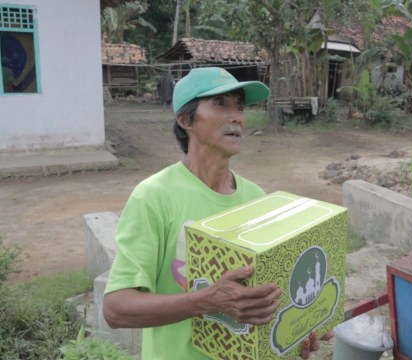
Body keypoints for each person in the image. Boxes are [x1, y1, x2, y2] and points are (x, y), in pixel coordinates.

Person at [103, 67, 322, 359]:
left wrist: (297, 329)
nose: (237, 117)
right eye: (221, 104)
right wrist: (208, 301)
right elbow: (116, 309)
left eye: (240, 106)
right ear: (185, 120)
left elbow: (268, 292)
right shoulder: (154, 197)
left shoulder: (257, 199)